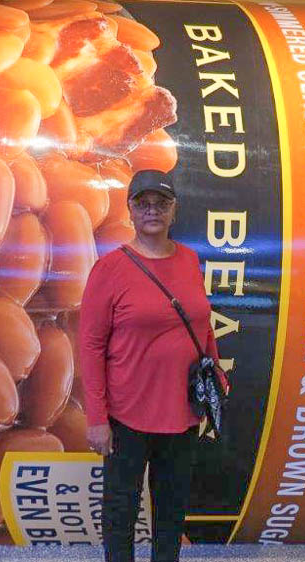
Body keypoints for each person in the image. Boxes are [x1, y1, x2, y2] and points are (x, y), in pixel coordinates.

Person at [79, 169, 220, 562]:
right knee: (120, 509)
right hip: (127, 414)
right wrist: (97, 418)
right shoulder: (109, 268)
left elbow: (201, 323)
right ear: (130, 210)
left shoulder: (189, 259)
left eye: (161, 203)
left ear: (174, 210)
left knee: (171, 509)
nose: (152, 210)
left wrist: (215, 373)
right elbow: (91, 346)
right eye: (143, 203)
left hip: (182, 412)